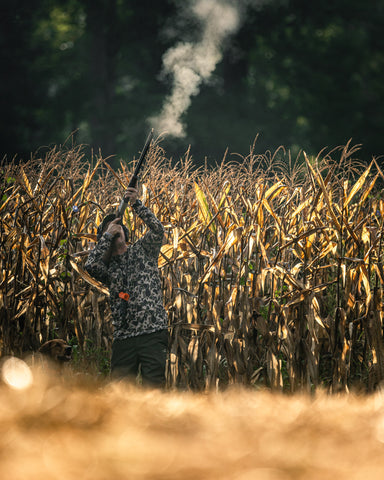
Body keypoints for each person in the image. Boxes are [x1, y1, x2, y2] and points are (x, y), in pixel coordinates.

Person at [85, 187, 168, 387]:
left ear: (125, 232)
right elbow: (90, 266)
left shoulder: (143, 251)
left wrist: (136, 204)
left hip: (153, 332)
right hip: (124, 338)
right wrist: (106, 236)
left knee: (154, 390)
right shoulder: (108, 270)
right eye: (111, 229)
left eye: (118, 227)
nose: (116, 230)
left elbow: (158, 230)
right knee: (119, 393)